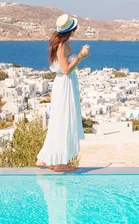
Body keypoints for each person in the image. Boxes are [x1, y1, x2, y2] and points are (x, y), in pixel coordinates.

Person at [36, 14, 90, 172]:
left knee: (60, 120)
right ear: (72, 29)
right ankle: (60, 163)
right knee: (64, 121)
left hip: (65, 84)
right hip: (65, 84)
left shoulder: (61, 43)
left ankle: (44, 159)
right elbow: (66, 69)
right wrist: (81, 56)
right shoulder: (62, 46)